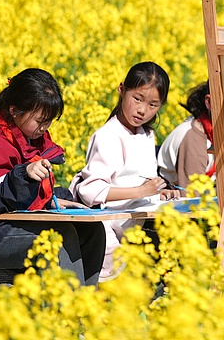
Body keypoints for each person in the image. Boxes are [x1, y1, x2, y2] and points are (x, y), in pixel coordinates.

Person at [0, 69, 105, 287]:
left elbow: (24, 199)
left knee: (91, 229)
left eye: (49, 121)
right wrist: (24, 174)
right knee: (57, 238)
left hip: (9, 224)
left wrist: (52, 199)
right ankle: (69, 312)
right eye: (40, 120)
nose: (45, 128)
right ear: (14, 111)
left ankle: (87, 303)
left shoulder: (31, 138)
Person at [70, 61, 182, 281]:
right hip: (114, 227)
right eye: (137, 99)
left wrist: (159, 192)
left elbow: (139, 180)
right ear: (122, 90)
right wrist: (141, 191)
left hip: (138, 219)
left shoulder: (146, 135)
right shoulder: (108, 136)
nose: (142, 110)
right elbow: (90, 191)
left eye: (153, 105)